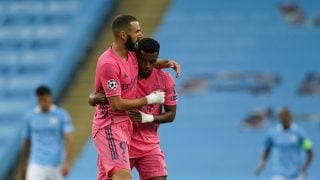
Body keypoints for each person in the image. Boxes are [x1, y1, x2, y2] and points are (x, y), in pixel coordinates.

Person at [92, 15, 180, 180]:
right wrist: (150, 99)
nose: (140, 34)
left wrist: (166, 62)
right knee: (124, 177)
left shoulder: (132, 54)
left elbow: (147, 61)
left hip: (127, 128)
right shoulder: (109, 63)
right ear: (123, 35)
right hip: (109, 126)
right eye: (137, 31)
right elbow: (116, 105)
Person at [19, 85, 74, 180]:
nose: (42, 102)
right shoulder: (31, 116)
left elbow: (68, 140)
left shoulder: (61, 115)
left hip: (56, 164)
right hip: (36, 163)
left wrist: (66, 162)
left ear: (50, 97)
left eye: (44, 99)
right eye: (40, 100)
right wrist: (22, 164)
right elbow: (26, 142)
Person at [255, 108, 313, 180]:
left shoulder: (300, 133)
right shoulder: (273, 133)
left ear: (290, 117)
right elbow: (267, 149)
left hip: (297, 175)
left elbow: (310, 151)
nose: (285, 119)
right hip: (279, 174)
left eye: (286, 117)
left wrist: (305, 167)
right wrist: (262, 162)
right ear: (279, 118)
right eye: (282, 117)